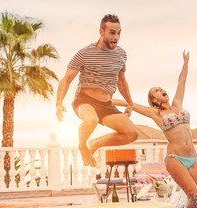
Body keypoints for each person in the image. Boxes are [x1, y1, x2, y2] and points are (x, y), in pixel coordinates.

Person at [113, 51, 197, 208]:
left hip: (192, 158)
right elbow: (130, 103)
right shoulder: (155, 114)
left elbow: (181, 81)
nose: (161, 90)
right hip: (175, 159)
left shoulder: (178, 104)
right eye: (156, 90)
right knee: (193, 195)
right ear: (154, 100)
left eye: (161, 88)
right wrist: (106, 102)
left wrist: (186, 62)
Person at [56, 14, 139, 167]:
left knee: (132, 133)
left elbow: (121, 81)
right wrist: (59, 103)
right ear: (101, 31)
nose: (116, 37)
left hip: (106, 105)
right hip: (85, 101)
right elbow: (66, 79)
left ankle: (95, 143)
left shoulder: (121, 54)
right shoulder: (84, 53)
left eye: (119, 33)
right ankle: (82, 146)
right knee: (91, 120)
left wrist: (130, 103)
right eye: (112, 32)